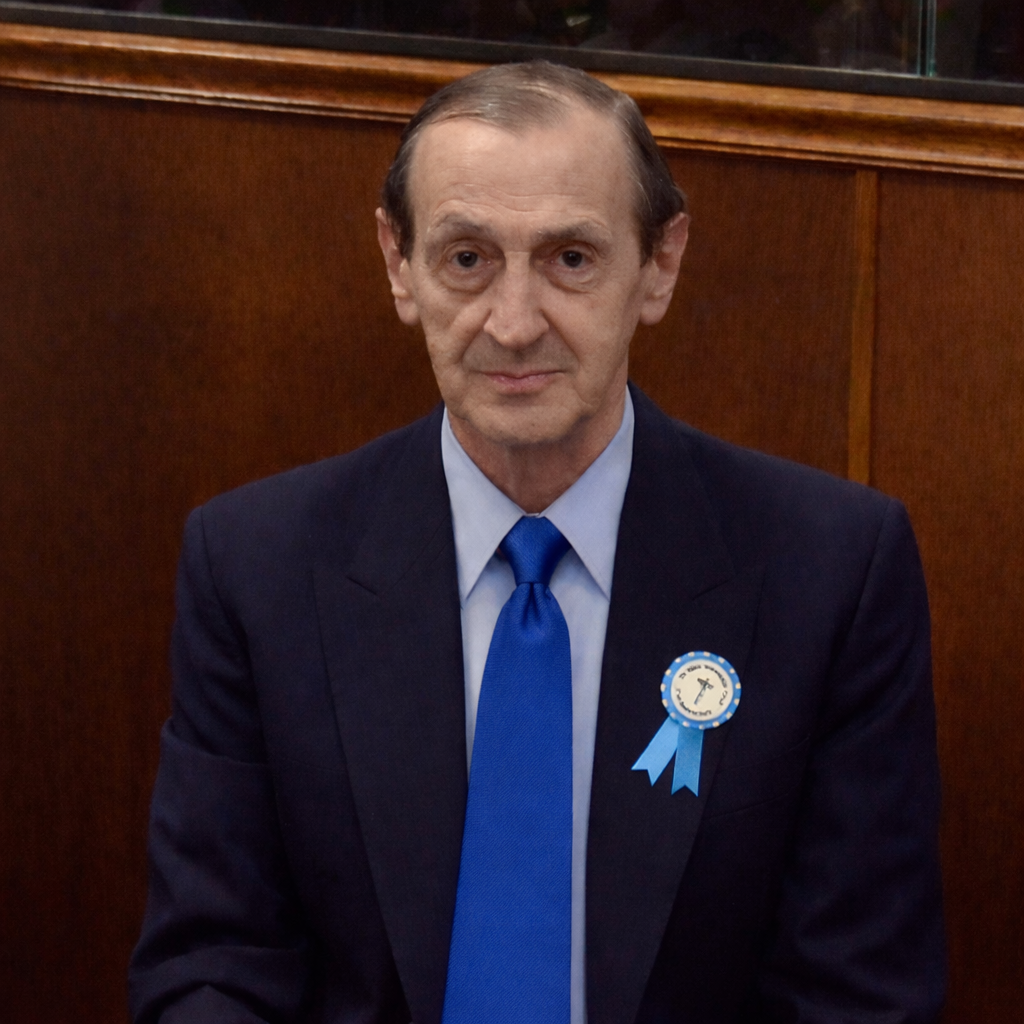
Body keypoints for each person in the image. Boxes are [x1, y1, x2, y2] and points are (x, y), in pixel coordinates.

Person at [129, 61, 945, 1024]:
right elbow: (212, 966)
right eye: (467, 258)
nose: (514, 326)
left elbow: (858, 995)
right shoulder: (256, 567)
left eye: (571, 259)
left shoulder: (833, 574)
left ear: (660, 265)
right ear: (398, 264)